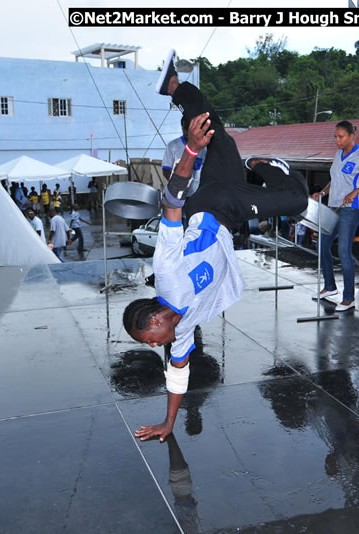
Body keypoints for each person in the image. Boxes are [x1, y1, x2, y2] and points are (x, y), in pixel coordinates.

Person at [123, 49, 308, 442]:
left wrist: (191, 152)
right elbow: (178, 374)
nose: (155, 346)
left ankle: (267, 167)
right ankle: (175, 85)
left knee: (296, 200)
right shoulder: (181, 329)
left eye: (151, 339)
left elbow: (172, 204)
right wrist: (168, 423)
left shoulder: (168, 273)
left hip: (217, 208)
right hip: (218, 197)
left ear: (155, 320)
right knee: (212, 127)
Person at [313, 120, 359, 312]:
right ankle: (330, 286)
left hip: (351, 208)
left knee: (343, 250)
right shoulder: (338, 154)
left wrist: (356, 191)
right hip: (334, 206)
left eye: (341, 137)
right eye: (335, 137)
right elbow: (335, 180)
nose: (337, 140)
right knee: (322, 245)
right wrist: (323, 192)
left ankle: (348, 298)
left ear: (352, 136)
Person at [163, 116, 207, 198]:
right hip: (177, 194)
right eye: (185, 129)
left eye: (190, 129)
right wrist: (177, 185)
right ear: (182, 128)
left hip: (197, 194)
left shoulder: (203, 147)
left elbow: (206, 170)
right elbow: (166, 170)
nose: (188, 132)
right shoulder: (172, 146)